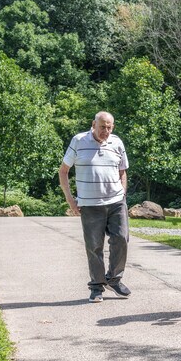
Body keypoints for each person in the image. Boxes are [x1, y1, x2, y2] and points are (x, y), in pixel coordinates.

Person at [59, 111, 132, 303]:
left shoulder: (117, 143)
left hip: (116, 202)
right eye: (102, 127)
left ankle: (114, 279)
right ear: (94, 124)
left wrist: (123, 193)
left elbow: (122, 171)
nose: (105, 131)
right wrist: (70, 200)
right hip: (90, 204)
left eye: (109, 127)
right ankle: (97, 286)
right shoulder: (79, 141)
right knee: (94, 246)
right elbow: (63, 171)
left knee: (122, 239)